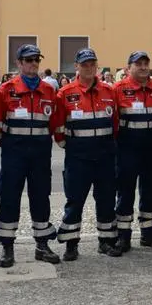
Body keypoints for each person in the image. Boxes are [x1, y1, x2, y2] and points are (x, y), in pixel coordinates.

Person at [0, 44, 61, 267]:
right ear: (19, 63)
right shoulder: (5, 90)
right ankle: (7, 247)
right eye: (28, 60)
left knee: (41, 198)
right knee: (9, 198)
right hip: (14, 154)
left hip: (40, 154)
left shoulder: (49, 91)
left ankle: (42, 244)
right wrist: (13, 145)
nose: (33, 64)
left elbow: (53, 124)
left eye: (36, 61)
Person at [53, 48, 121, 260]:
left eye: (92, 64)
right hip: (78, 158)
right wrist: (69, 146)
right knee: (75, 201)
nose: (89, 68)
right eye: (84, 64)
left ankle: (107, 242)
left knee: (107, 200)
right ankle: (71, 244)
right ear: (76, 67)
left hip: (105, 157)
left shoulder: (109, 91)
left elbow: (115, 124)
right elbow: (57, 125)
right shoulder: (65, 93)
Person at [113, 51, 152, 251]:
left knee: (150, 191)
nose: (143, 67)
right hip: (127, 148)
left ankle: (149, 234)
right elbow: (113, 120)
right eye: (138, 64)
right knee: (125, 192)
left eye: (146, 63)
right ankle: (123, 237)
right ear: (128, 68)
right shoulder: (118, 89)